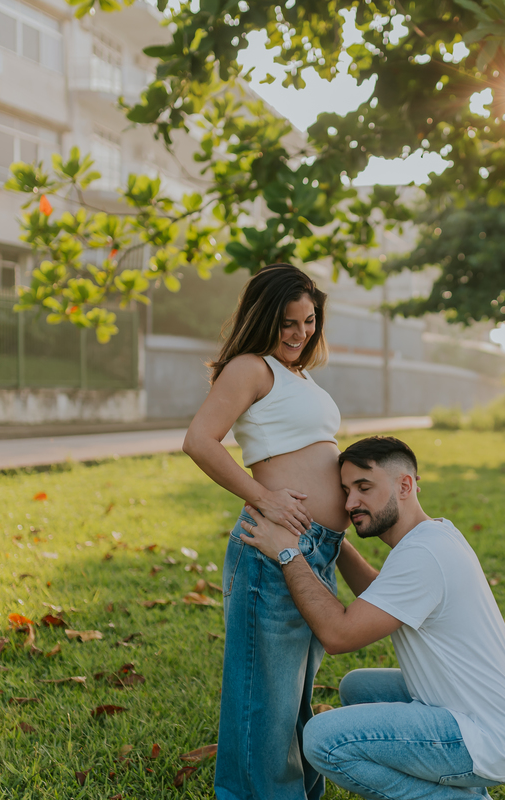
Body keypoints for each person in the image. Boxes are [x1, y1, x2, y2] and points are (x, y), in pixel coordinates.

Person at [238, 436, 505, 800]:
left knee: (324, 740)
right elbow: (381, 594)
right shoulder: (433, 536)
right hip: (496, 718)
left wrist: (288, 553)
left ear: (405, 485)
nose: (350, 503)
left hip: (490, 737)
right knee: (358, 688)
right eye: (345, 491)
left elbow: (338, 635)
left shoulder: (423, 555)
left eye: (364, 487)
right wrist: (332, 538)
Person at [182, 263, 348, 800]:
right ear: (264, 317)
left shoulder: (299, 374)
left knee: (294, 697)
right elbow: (199, 440)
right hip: (274, 547)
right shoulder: (251, 368)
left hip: (315, 551)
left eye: (309, 321)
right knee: (265, 701)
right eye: (288, 322)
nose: (300, 333)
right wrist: (265, 497)